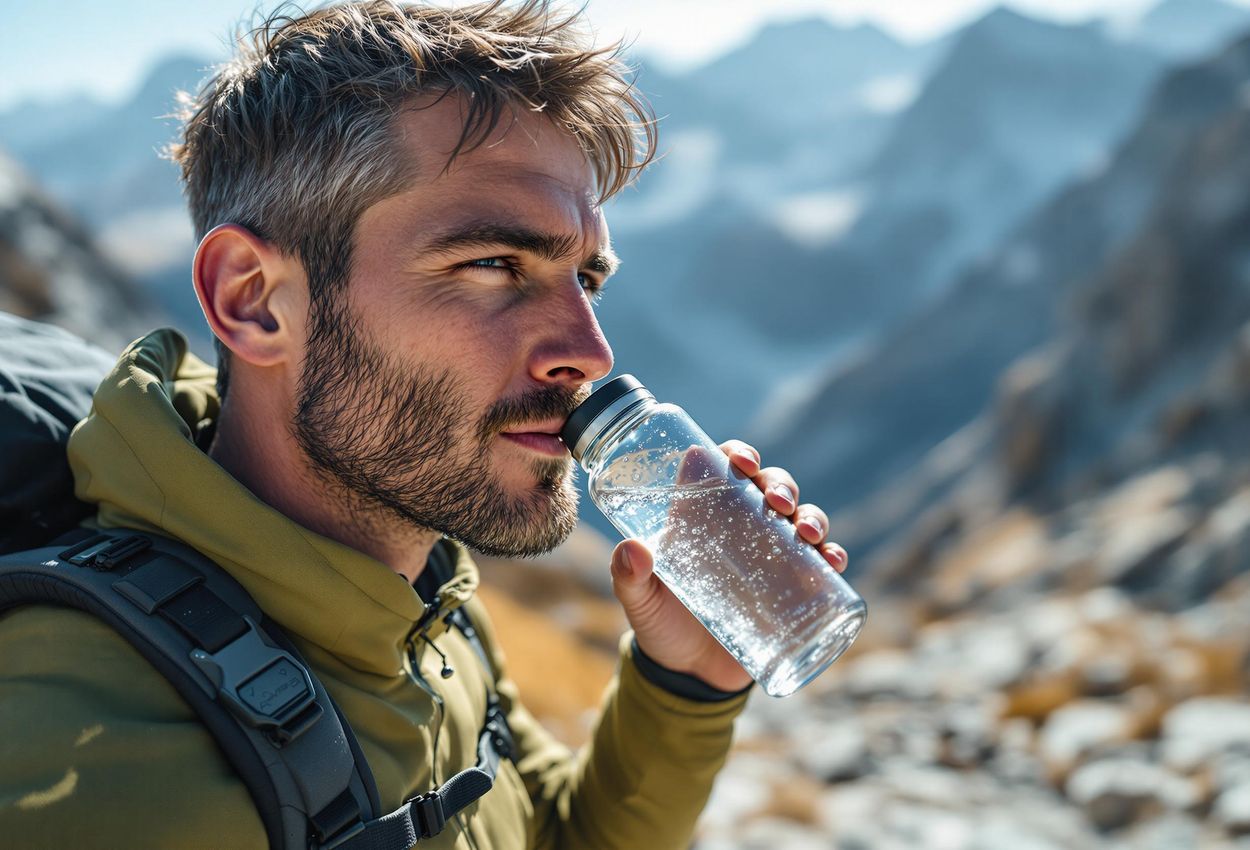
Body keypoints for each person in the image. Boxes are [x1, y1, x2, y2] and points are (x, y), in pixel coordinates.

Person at [0, 2, 849, 847]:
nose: (591, 352)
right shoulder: (103, 774)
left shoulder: (418, 583)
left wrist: (686, 682)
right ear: (252, 300)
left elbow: (549, 834)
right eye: (491, 263)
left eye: (585, 279)